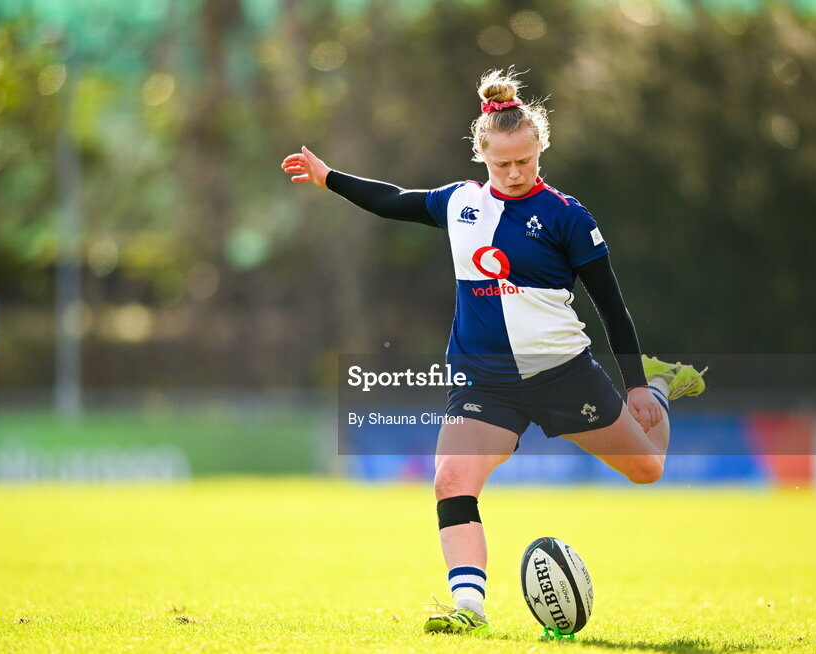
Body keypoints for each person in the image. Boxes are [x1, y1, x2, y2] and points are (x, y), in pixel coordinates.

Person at [281, 69, 706, 636]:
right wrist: (327, 177)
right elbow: (394, 202)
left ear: (539, 150)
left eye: (525, 161)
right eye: (502, 163)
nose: (513, 173)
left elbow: (613, 307)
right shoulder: (459, 203)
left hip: (563, 374)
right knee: (451, 478)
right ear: (482, 154)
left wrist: (635, 384)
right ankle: (469, 608)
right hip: (485, 382)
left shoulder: (568, 217)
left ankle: (660, 384)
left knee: (649, 470)